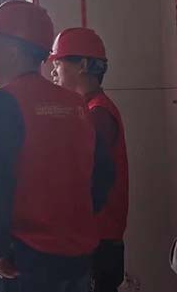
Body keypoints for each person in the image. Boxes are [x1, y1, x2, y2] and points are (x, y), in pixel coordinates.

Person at [0, 0, 103, 292]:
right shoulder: (75, 103)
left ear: (13, 51)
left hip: (27, 258)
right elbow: (101, 175)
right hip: (77, 256)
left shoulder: (3, 102)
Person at [50, 28, 127, 292]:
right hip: (96, 239)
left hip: (96, 241)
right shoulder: (91, 110)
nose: (53, 71)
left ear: (82, 65)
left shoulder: (97, 115)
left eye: (58, 63)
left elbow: (87, 180)